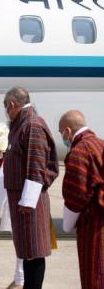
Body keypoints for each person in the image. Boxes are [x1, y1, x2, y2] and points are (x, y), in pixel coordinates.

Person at [3, 87, 58, 289]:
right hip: (22, 199)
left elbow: (36, 164)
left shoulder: (32, 125)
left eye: (5, 107)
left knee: (34, 251)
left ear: (11, 104)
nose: (6, 111)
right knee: (27, 250)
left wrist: (27, 200)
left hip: (30, 201)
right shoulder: (21, 124)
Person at [59, 110, 104, 289]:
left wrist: (67, 225)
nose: (62, 136)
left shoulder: (79, 151)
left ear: (68, 131)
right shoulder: (100, 144)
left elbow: (76, 195)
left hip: (94, 223)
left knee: (94, 273)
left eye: (61, 131)